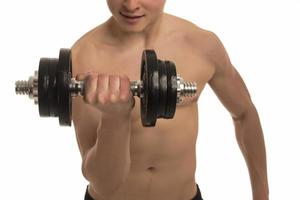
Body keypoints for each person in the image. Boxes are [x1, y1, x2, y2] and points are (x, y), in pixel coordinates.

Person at [71, 0, 269, 199]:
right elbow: (104, 184)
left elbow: (244, 114)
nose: (131, 5)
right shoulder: (83, 58)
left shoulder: (201, 45)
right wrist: (114, 117)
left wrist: (262, 195)